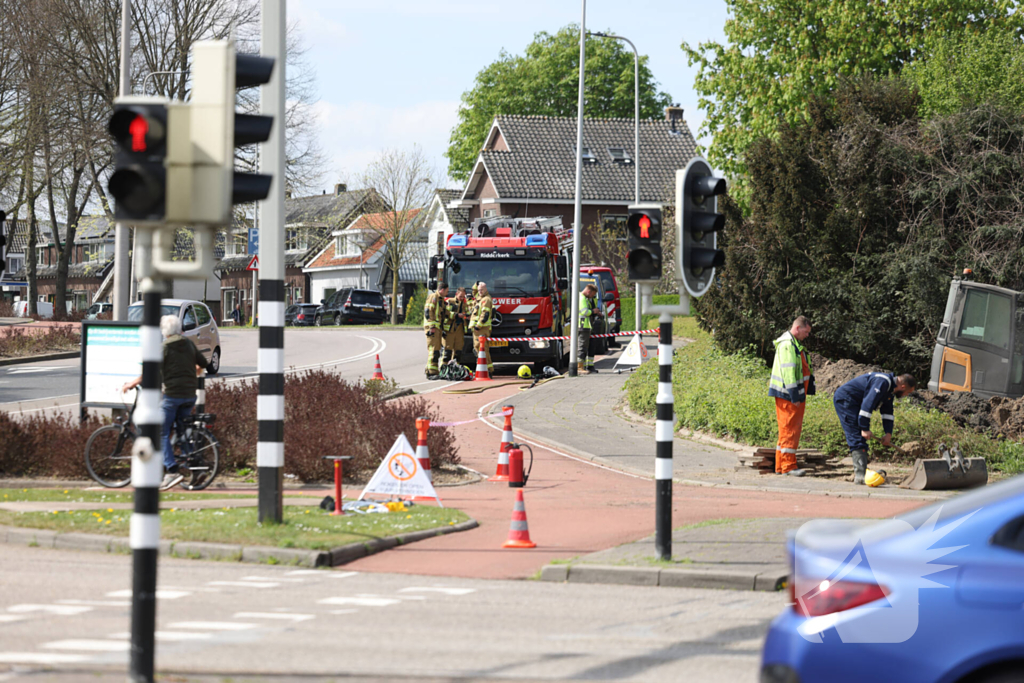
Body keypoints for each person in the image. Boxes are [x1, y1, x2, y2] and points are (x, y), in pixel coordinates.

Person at [122, 315, 210, 490]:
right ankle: (194, 467)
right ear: (179, 329)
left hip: (172, 396)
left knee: (160, 432)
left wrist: (132, 383)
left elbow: (149, 370)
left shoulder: (164, 347)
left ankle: (172, 471)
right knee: (181, 429)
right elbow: (203, 363)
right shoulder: (189, 344)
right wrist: (194, 369)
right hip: (190, 395)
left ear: (164, 332)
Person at [834, 371, 917, 484]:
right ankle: (860, 475)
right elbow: (867, 404)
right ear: (902, 386)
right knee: (856, 436)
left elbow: (887, 413)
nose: (906, 395)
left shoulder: (889, 390)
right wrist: (864, 428)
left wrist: (888, 433)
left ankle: (862, 471)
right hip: (846, 400)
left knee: (860, 436)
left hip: (856, 402)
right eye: (907, 392)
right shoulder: (883, 382)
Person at [768, 316, 815, 476]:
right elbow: (789, 372)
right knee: (790, 429)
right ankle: (788, 466)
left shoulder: (792, 344)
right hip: (789, 395)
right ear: (797, 329)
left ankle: (781, 466)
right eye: (806, 331)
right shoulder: (788, 345)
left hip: (789, 394)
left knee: (786, 429)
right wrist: (795, 395)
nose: (807, 335)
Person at [423, 283, 449, 379]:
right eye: (447, 291)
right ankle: (431, 372)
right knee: (433, 350)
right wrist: (432, 326)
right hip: (433, 328)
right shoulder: (433, 297)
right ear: (442, 290)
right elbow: (428, 312)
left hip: (437, 328)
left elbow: (444, 313)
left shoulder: (441, 300)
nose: (447, 293)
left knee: (436, 350)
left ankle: (432, 369)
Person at [469, 281, 493, 374]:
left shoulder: (486, 299)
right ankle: (485, 368)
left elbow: (485, 314)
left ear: (486, 289)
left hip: (482, 328)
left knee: (482, 348)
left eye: (482, 290)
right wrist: (477, 283)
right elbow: (474, 291)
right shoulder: (480, 297)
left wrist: (478, 325)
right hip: (478, 328)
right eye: (479, 290)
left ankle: (487, 369)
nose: (480, 292)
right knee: (479, 348)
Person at [442, 287, 468, 365]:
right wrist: (456, 315)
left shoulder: (465, 304)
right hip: (450, 329)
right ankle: (443, 367)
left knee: (458, 351)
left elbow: (468, 312)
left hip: (460, 329)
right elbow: (445, 313)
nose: (462, 298)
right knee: (447, 351)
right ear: (456, 294)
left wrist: (467, 315)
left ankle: (455, 368)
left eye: (463, 296)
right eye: (460, 296)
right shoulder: (449, 301)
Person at [577, 284, 599, 375]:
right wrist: (593, 311)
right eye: (592, 294)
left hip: (582, 325)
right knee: (582, 346)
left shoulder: (581, 297)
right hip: (583, 325)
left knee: (582, 346)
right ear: (589, 291)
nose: (593, 297)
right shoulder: (582, 298)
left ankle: (582, 366)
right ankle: (579, 367)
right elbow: (584, 312)